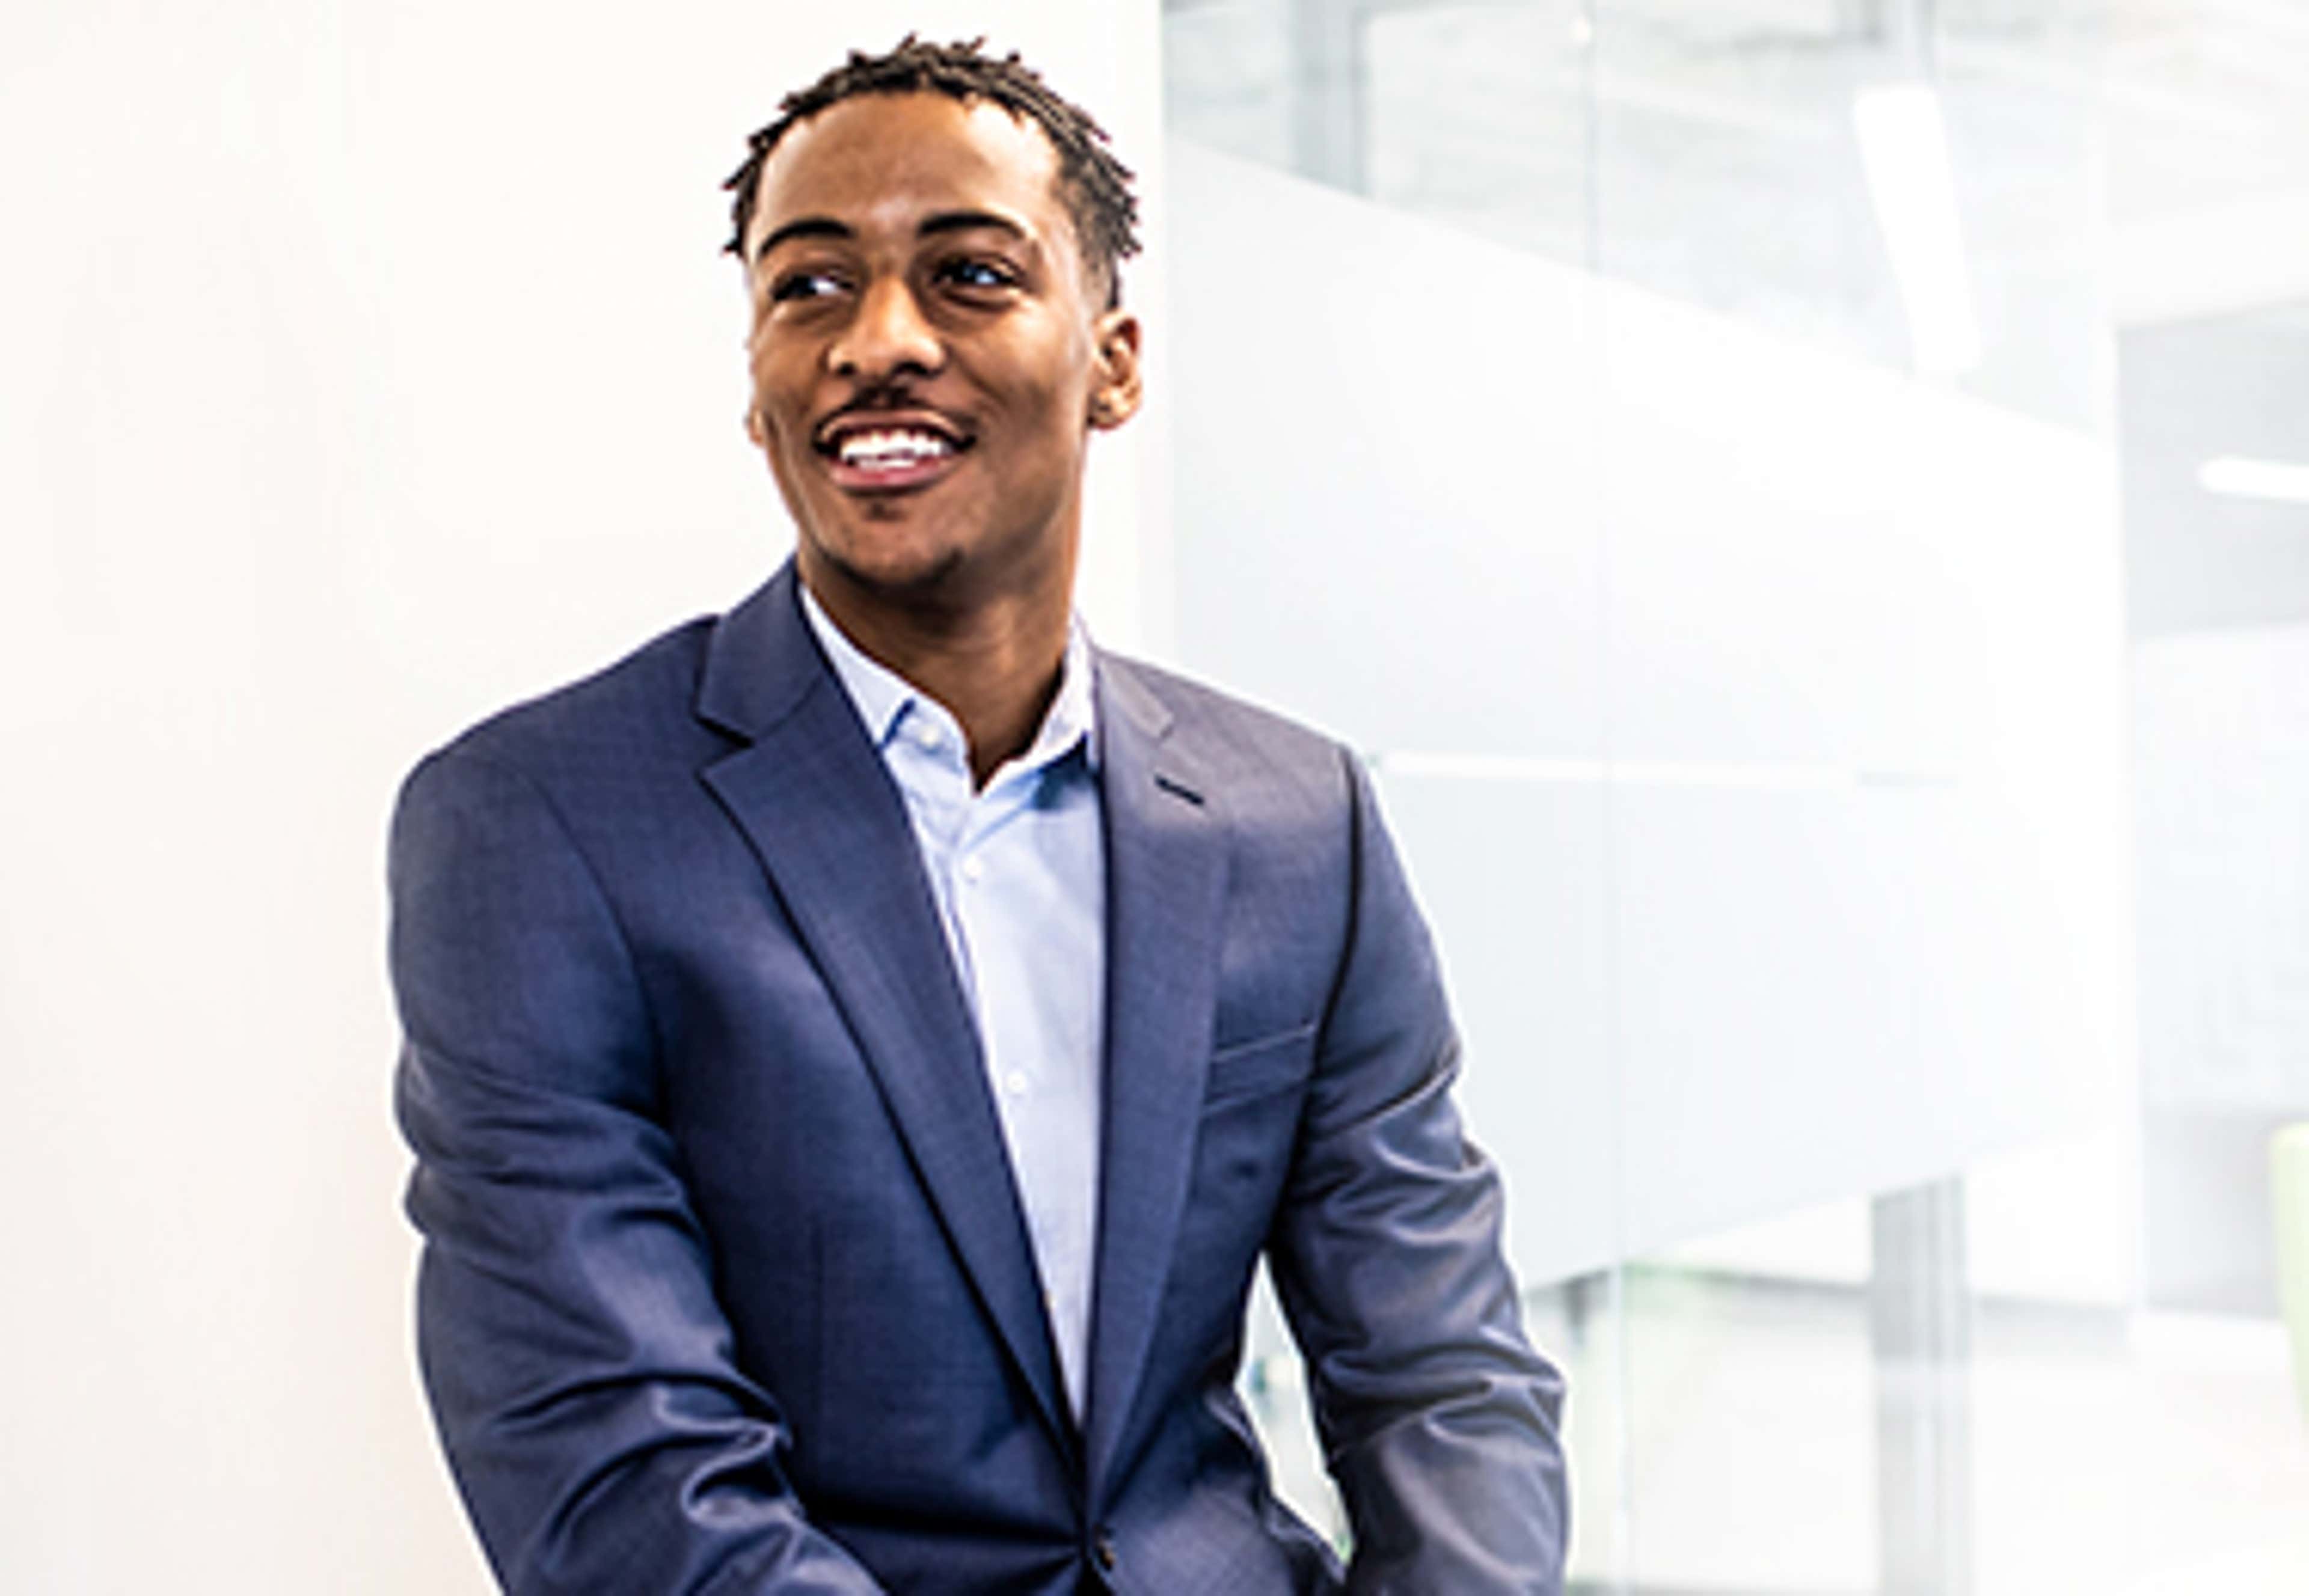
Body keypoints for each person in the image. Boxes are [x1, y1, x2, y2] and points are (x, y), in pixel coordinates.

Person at [389, 37, 1566, 1595]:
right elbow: (619, 1466)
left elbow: (1444, 1381)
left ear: (1115, 360)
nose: (876, 341)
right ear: (757, 391)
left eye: (968, 276)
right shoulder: (541, 824)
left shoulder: (1301, 825)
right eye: (808, 289)